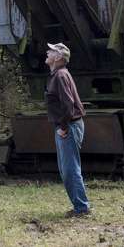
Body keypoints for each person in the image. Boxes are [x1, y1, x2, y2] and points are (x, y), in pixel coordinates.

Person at [45, 41, 90, 217]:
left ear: (58, 57)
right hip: (68, 125)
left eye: (51, 51)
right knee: (67, 169)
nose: (47, 52)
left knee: (70, 169)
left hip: (69, 126)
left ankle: (82, 208)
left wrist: (63, 127)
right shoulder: (58, 74)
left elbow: (69, 104)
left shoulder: (61, 76)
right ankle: (80, 207)